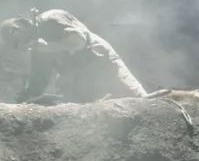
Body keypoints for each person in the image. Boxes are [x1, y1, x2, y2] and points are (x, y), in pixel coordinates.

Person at [1, 9, 147, 103]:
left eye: (16, 42)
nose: (20, 47)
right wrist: (25, 98)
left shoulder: (51, 19)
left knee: (140, 100)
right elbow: (38, 82)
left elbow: (79, 42)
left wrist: (49, 47)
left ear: (18, 29)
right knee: (77, 107)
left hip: (100, 60)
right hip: (79, 77)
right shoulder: (38, 49)